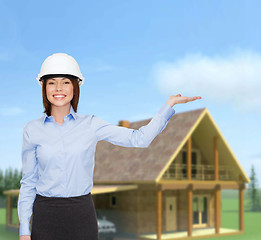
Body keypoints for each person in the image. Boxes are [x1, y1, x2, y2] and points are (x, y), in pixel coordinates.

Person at [17, 53, 202, 240]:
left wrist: (169, 105)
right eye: (52, 82)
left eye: (65, 82)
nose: (59, 88)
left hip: (81, 215)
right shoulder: (32, 130)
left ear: (75, 86)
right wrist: (24, 229)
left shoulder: (91, 125)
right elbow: (29, 182)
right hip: (45, 216)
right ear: (44, 87)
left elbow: (139, 139)